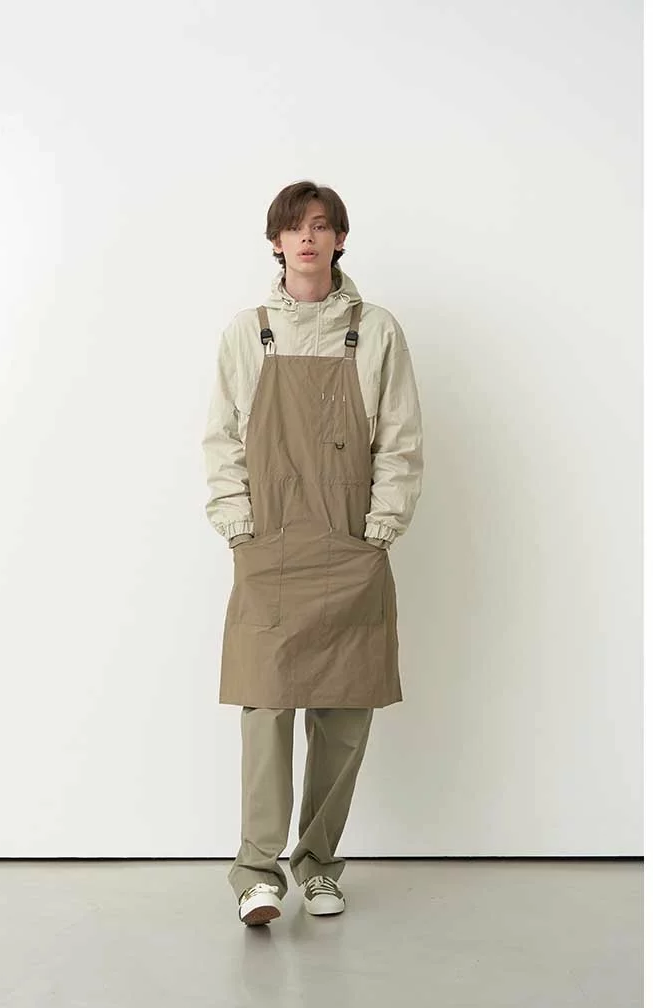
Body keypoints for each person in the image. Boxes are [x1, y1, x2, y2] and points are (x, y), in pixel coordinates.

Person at [201, 180, 424, 926]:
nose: (307, 238)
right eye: (294, 228)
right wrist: (237, 525)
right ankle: (257, 872)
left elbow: (400, 437)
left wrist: (381, 527)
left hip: (350, 543)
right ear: (276, 242)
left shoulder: (376, 330)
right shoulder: (249, 332)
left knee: (345, 712)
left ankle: (319, 865)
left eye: (321, 226)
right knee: (265, 708)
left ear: (339, 240)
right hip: (269, 545)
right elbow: (223, 439)